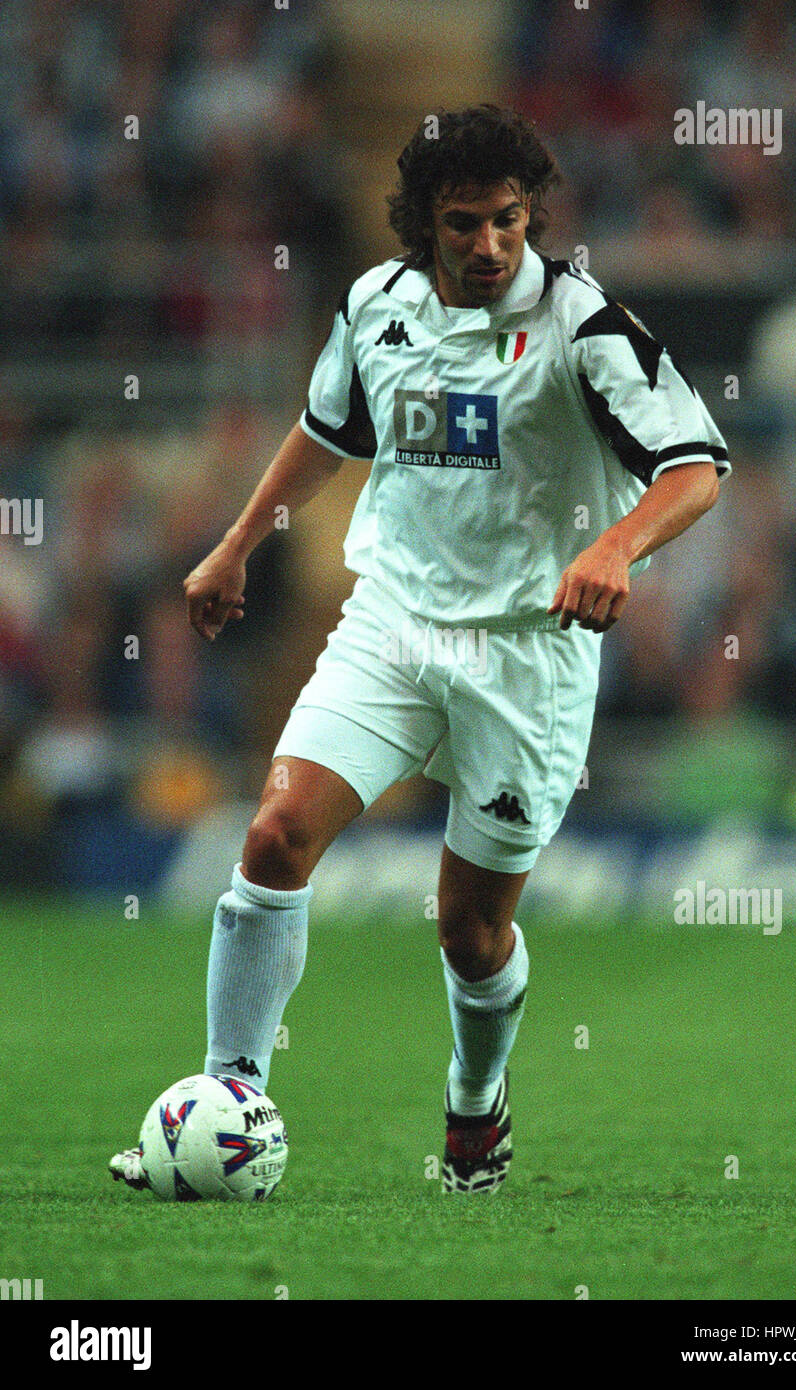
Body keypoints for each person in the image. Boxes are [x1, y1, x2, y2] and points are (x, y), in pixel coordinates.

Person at [111, 106, 729, 1195]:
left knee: (468, 928)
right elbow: (323, 431)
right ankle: (228, 1102)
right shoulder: (373, 304)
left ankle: (476, 1109)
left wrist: (615, 548)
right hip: (391, 627)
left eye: (507, 221)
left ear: (529, 216)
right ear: (421, 227)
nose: (489, 246)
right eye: (463, 225)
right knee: (271, 837)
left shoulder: (586, 328)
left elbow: (695, 465)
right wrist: (236, 542)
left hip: (525, 656)